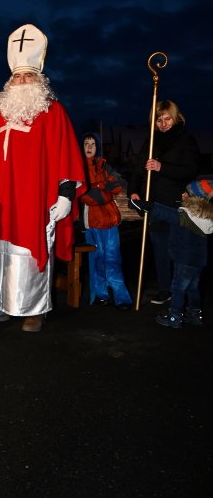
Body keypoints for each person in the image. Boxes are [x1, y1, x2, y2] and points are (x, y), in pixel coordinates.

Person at [0, 23, 86, 332]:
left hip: (36, 196)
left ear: (40, 81)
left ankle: (35, 308)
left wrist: (66, 193)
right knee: (0, 251)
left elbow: (66, 154)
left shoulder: (53, 112)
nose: (22, 81)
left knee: (31, 248)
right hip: (1, 200)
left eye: (28, 76)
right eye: (17, 76)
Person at [128, 99, 200, 305]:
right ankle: (164, 289)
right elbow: (137, 169)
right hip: (153, 204)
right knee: (159, 248)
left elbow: (191, 170)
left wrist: (162, 167)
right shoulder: (151, 141)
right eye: (159, 120)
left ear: (176, 118)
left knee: (177, 249)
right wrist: (133, 191)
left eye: (167, 118)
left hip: (176, 204)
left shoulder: (186, 140)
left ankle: (181, 294)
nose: (163, 123)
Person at [131, 177, 213, 328]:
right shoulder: (205, 217)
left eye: (186, 193)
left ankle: (174, 317)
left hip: (184, 259)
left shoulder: (184, 216)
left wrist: (139, 203)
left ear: (194, 199)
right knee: (192, 287)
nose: (183, 195)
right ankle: (195, 314)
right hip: (199, 260)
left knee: (177, 288)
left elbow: (160, 211)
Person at [80, 133, 133, 310]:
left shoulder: (105, 166)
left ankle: (121, 296)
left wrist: (100, 187)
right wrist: (104, 189)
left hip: (111, 220)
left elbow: (118, 184)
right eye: (86, 143)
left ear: (98, 147)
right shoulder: (78, 168)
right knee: (97, 259)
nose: (89, 147)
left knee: (113, 259)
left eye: (93, 144)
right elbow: (87, 197)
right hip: (93, 222)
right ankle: (100, 294)